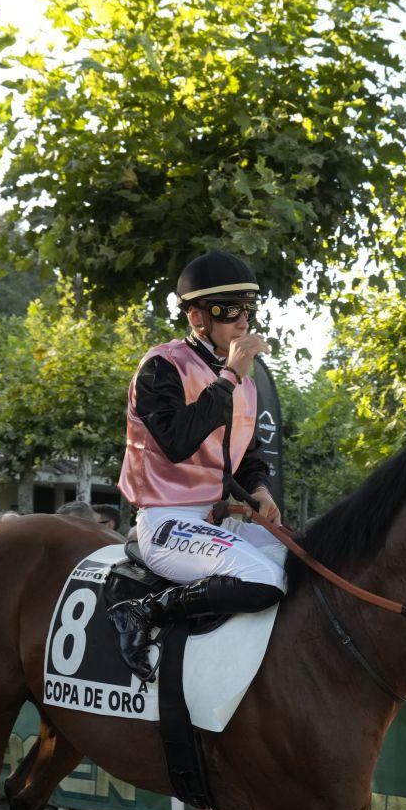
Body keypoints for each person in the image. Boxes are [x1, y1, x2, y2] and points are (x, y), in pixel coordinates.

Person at [112, 250, 286, 676]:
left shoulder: (240, 379)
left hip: (215, 520)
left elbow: (246, 455)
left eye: (249, 310)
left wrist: (260, 489)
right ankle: (142, 611)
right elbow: (176, 442)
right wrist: (229, 377)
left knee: (304, 564)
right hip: (165, 521)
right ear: (197, 317)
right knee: (264, 581)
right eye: (231, 310)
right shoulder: (161, 366)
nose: (244, 321)